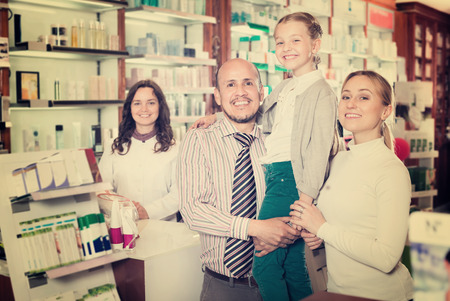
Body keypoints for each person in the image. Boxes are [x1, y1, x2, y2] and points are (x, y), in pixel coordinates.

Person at [191, 12, 338, 301]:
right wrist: (217, 116)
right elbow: (253, 112)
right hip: (278, 176)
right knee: (293, 264)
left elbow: (320, 151)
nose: (286, 48)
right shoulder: (285, 87)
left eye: (296, 40)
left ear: (315, 45)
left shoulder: (322, 92)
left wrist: (304, 207)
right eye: (280, 42)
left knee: (265, 265)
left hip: (289, 179)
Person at [178, 58, 301, 301]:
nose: (241, 92)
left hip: (280, 281)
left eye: (248, 83)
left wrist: (292, 230)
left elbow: (301, 194)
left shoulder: (278, 142)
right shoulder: (199, 140)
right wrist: (255, 228)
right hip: (224, 287)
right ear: (218, 95)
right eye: (230, 85)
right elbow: (193, 210)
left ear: (261, 92)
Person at [290, 70, 414, 301]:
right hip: (339, 293)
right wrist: (319, 237)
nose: (351, 104)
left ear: (386, 111)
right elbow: (346, 227)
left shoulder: (391, 171)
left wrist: (323, 229)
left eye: (364, 97)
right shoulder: (337, 161)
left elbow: (386, 258)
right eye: (346, 97)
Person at [99, 79, 179, 221]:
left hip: (164, 230)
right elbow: (102, 190)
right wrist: (123, 208)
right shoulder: (113, 147)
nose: (144, 109)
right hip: (123, 227)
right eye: (137, 103)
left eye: (151, 103)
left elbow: (178, 195)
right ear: (129, 108)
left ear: (160, 107)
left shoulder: (176, 149)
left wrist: (147, 212)